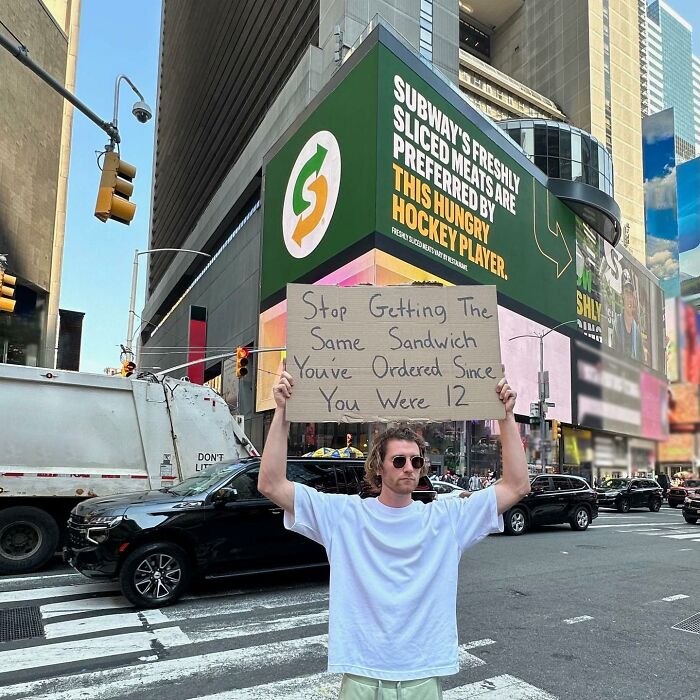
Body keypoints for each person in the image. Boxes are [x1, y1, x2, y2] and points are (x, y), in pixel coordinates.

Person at [258, 370, 530, 698]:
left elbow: (517, 486)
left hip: (422, 678)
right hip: (361, 676)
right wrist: (282, 413)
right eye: (399, 460)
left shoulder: (447, 518)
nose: (409, 467)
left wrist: (506, 417)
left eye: (416, 461)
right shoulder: (344, 516)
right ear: (378, 466)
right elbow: (271, 484)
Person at [613, 269, 643, 361]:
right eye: (626, 291)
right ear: (622, 294)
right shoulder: (618, 322)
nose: (629, 295)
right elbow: (614, 350)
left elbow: (641, 358)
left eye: (630, 292)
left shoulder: (636, 329)